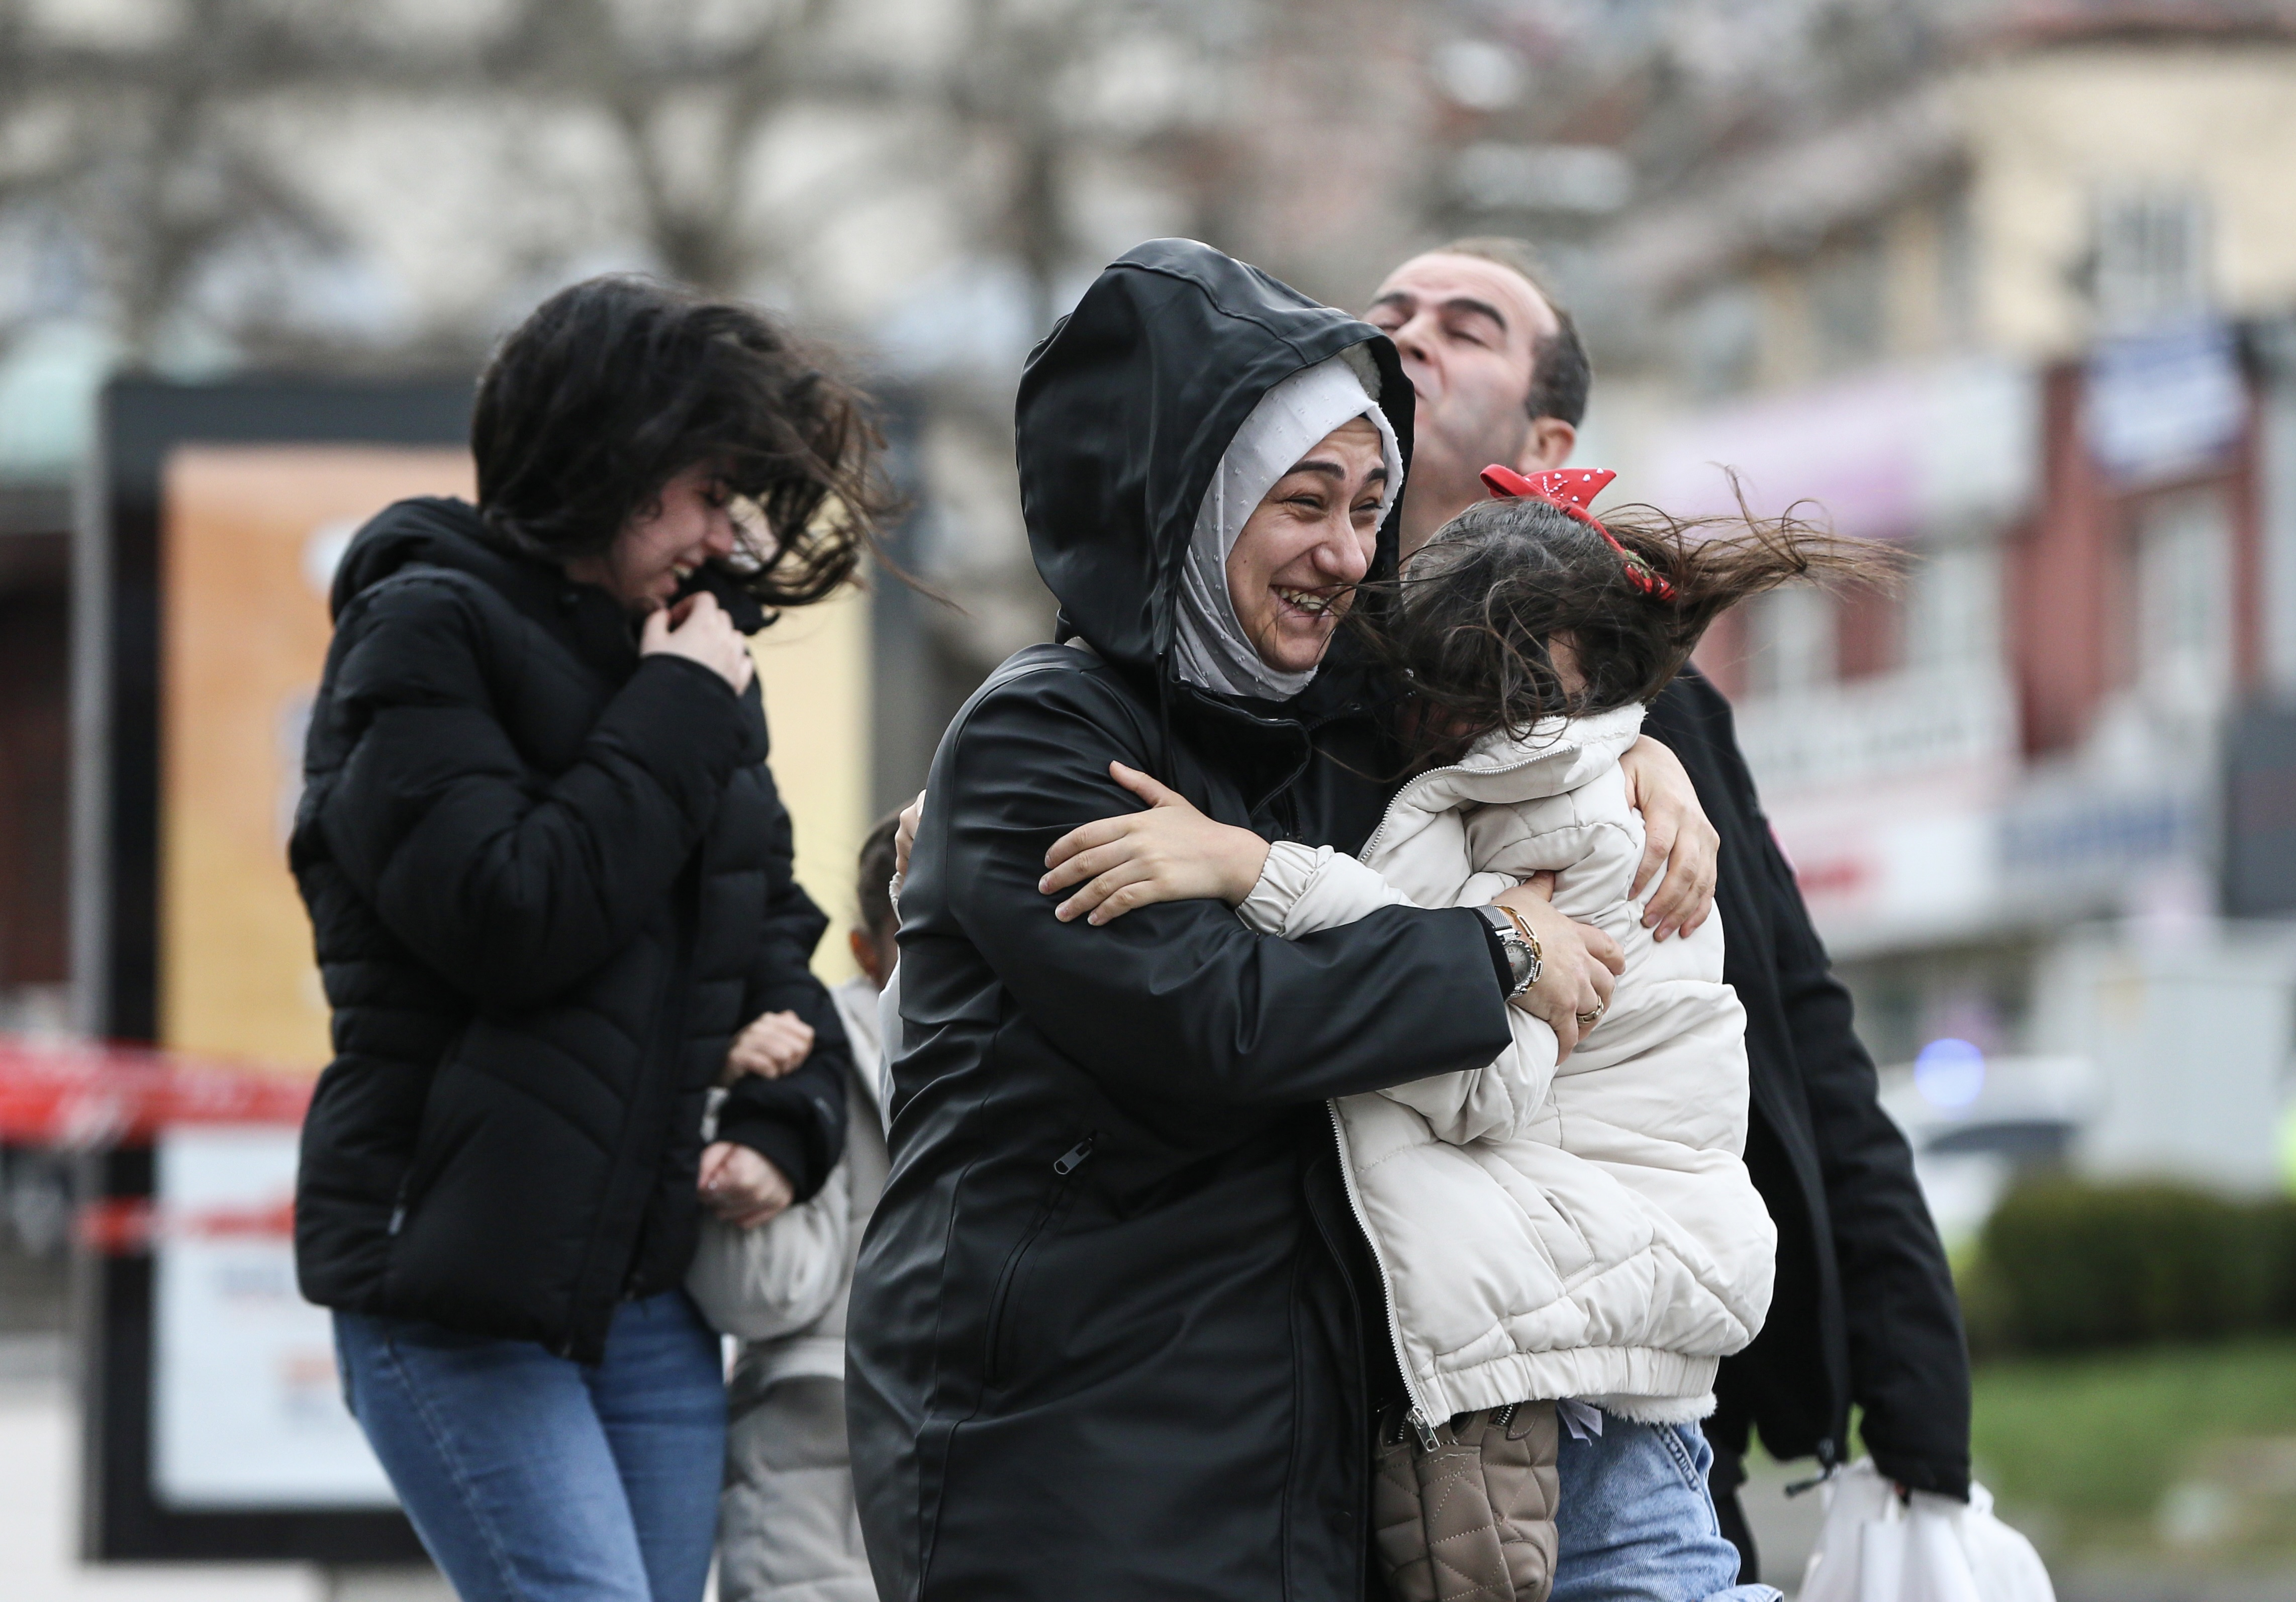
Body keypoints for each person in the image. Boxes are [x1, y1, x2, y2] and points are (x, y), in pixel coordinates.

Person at [846, 239, 1636, 1602]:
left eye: (1371, 506)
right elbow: (1212, 1017)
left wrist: (1654, 767)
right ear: (1190, 500)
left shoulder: (1336, 736)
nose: (1346, 553)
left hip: (1298, 1456)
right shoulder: (1041, 735)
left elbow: (1543, 741)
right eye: (1307, 501)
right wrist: (1491, 950)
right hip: (1059, 1444)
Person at [1040, 465, 1889, 1602]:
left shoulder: (1576, 819)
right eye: (1438, 686)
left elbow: (1472, 1075)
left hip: (1574, 1370)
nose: (1448, 720)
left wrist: (1253, 870)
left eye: (1494, 689)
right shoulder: (1524, 786)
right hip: (1557, 1323)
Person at [1364, 238, 1975, 1575]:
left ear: (1549, 434)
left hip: (1649, 1384)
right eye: (1388, 314)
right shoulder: (1295, 668)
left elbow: (1802, 1034)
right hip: (1398, 1384)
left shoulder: (1676, 720)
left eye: (1467, 325)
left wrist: (1915, 1386)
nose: (1411, 333)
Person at [290, 275, 883, 1602]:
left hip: (643, 1292)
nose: (724, 530)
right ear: (604, 464)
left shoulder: (689, 658)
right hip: (451, 1279)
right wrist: (674, 702)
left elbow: (771, 935)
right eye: (700, 488)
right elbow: (512, 916)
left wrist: (780, 1131)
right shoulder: (425, 627)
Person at [712, 811, 901, 1602]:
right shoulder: (802, 1060)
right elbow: (755, 1292)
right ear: (865, 955)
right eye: (924, 934)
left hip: (989, 1479)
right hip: (814, 1485)